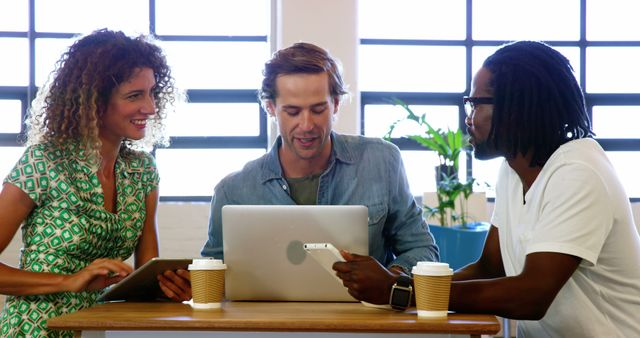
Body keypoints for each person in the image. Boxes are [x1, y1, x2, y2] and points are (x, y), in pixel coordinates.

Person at [201, 42, 438, 306]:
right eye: (292, 112)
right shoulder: (233, 190)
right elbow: (212, 273)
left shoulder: (381, 161)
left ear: (335, 103)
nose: (306, 125)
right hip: (269, 328)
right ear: (270, 107)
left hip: (366, 326)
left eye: (318, 109)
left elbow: (423, 249)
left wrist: (390, 279)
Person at [0, 29, 191, 337]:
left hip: (100, 329)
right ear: (94, 102)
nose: (150, 107)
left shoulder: (143, 171)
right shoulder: (44, 162)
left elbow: (145, 277)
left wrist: (168, 288)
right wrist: (68, 280)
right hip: (36, 328)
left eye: (152, 92)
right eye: (134, 96)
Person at [449, 40, 640, 336]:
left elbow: (532, 296)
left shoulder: (578, 173)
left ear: (516, 107)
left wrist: (407, 294)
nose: (468, 116)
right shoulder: (512, 171)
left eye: (476, 103)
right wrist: (409, 286)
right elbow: (491, 267)